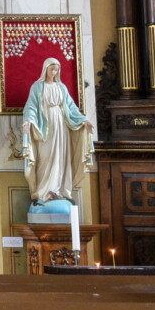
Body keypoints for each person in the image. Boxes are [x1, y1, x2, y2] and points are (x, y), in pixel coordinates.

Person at [20, 57, 94, 204]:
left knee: (60, 156)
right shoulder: (37, 87)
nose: (54, 72)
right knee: (45, 157)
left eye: (56, 69)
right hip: (45, 125)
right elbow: (31, 106)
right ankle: (43, 192)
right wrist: (28, 121)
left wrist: (84, 120)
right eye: (51, 69)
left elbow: (71, 107)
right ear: (45, 69)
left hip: (61, 124)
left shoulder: (62, 87)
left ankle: (59, 190)